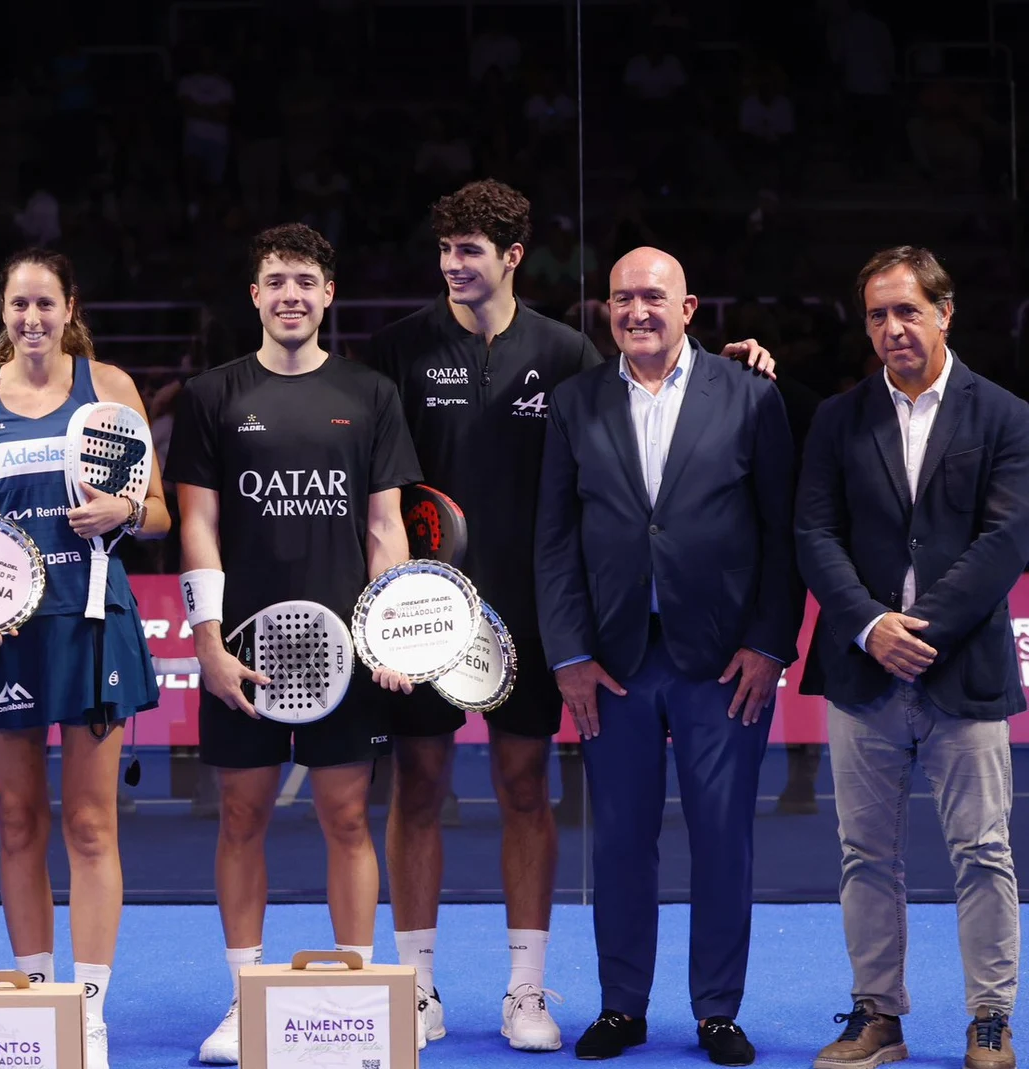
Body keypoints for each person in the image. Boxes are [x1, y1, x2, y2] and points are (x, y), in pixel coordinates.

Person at [363, 180, 773, 1053]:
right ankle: (419, 986)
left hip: (536, 619)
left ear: (513, 256)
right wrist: (386, 602)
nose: (453, 264)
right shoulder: (396, 350)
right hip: (425, 612)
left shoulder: (567, 357)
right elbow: (381, 492)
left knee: (527, 789)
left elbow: (600, 494)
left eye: (471, 249)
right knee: (420, 787)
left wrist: (744, 360)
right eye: (445, 249)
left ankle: (526, 989)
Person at [535, 247, 802, 1067]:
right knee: (619, 839)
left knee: (723, 836)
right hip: (611, 661)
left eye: (653, 296)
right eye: (621, 298)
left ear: (688, 308)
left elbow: (783, 533)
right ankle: (623, 1006)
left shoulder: (751, 395)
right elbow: (555, 540)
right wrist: (568, 654)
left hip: (722, 661)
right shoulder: (575, 402)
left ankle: (717, 1011)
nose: (636, 310)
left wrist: (768, 642)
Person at [169, 224, 421, 1065]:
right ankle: (246, 998)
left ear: (328, 294)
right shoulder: (211, 395)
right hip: (243, 651)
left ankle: (354, 997)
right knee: (241, 816)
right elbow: (197, 525)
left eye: (305, 281)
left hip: (344, 654)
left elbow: (385, 527)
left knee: (346, 816)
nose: (290, 295)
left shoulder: (369, 393)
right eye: (276, 280)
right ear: (254, 295)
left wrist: (389, 630)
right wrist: (208, 642)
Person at [0, 248, 172, 1069]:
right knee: (17, 818)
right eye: (18, 304)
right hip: (4, 634)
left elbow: (161, 513)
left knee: (91, 821)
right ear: (2, 312)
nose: (31, 317)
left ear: (71, 308)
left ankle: (88, 1011)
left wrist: (124, 510)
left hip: (91, 620)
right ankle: (38, 998)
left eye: (45, 303)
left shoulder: (111, 390)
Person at [797, 246, 1029, 1069]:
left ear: (944, 312)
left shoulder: (1004, 415)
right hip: (864, 672)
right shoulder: (838, 418)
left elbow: (1006, 540)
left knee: (984, 852)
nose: (893, 327)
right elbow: (813, 533)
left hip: (963, 667)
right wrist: (869, 625)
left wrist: (917, 629)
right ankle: (878, 1016)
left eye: (907, 310)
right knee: (865, 854)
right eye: (877, 314)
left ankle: (990, 1017)